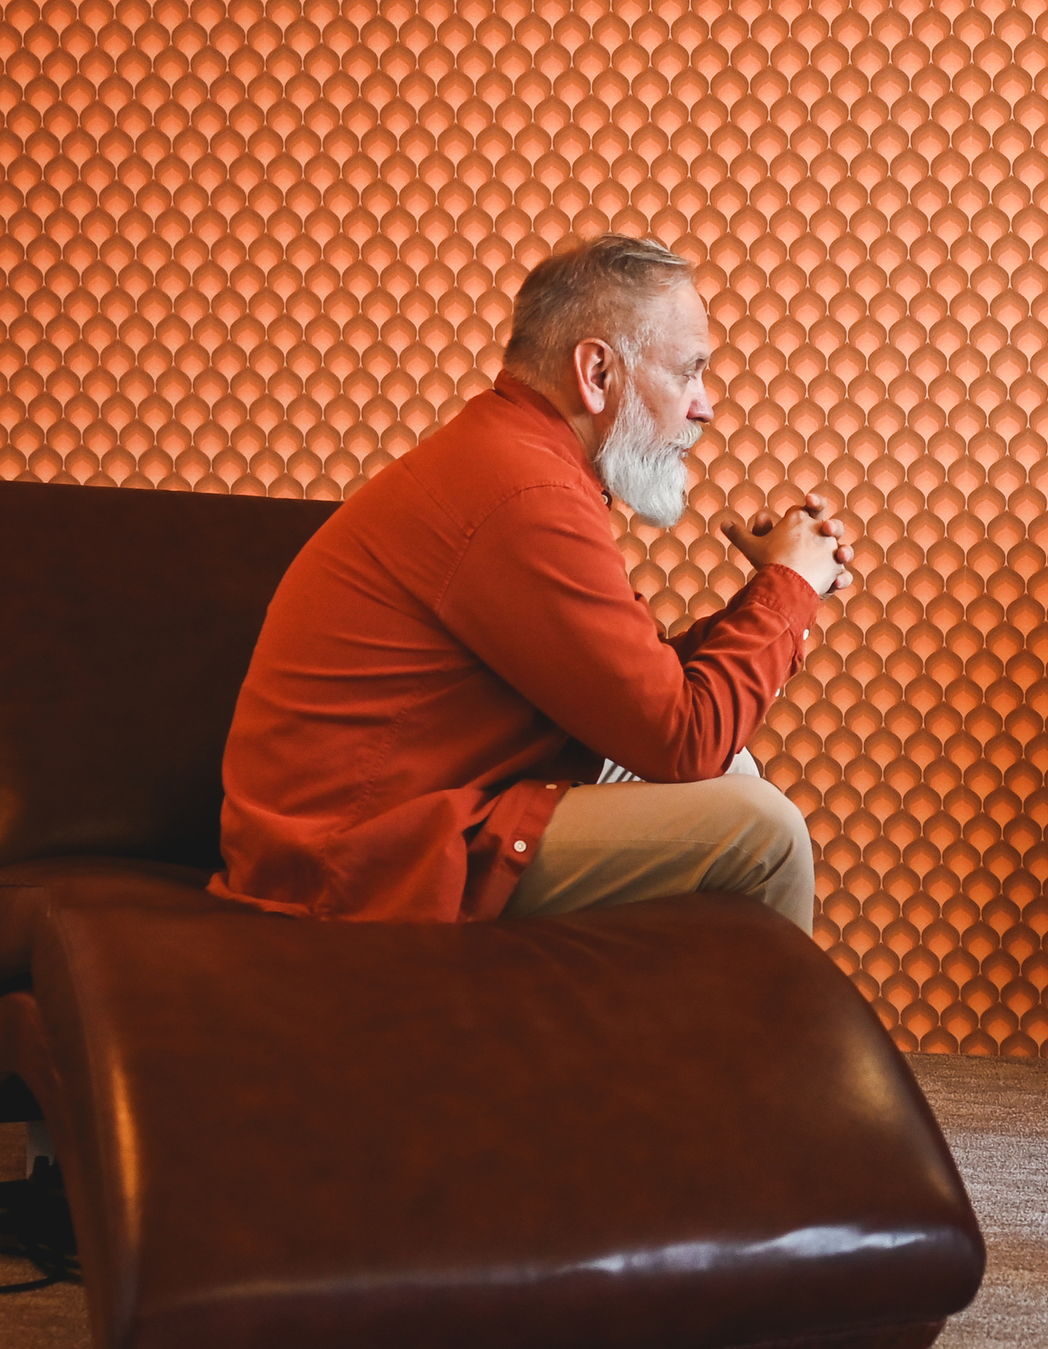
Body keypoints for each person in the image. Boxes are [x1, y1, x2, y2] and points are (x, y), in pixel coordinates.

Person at [215, 233, 854, 929]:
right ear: (597, 373)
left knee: (736, 773)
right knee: (760, 828)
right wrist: (789, 584)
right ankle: (763, 1040)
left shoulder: (516, 459)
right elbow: (683, 737)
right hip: (359, 857)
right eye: (687, 372)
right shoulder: (524, 493)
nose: (704, 406)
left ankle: (677, 1032)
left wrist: (776, 591)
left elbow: (642, 697)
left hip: (419, 811)